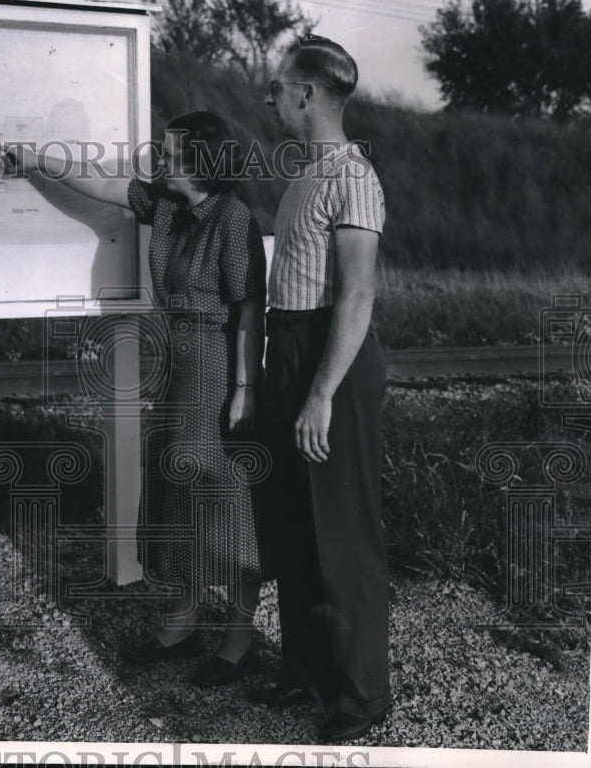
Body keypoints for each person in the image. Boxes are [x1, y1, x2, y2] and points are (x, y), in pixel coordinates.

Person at [0, 111, 267, 687]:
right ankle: (181, 622)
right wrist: (38, 160)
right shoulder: (165, 204)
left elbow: (248, 308)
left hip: (216, 363)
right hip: (174, 361)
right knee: (172, 489)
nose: (157, 158)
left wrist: (245, 388)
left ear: (200, 161)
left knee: (223, 495)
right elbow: (100, 183)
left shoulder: (233, 218)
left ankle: (239, 639)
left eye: (169, 152)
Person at [248, 36, 390, 743]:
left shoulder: (354, 176)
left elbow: (358, 294)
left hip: (332, 357)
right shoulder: (304, 172)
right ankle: (305, 668)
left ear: (307, 93)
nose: (268, 96)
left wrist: (321, 392)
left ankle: (363, 697)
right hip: (289, 345)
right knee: (294, 523)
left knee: (342, 531)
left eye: (276, 85)